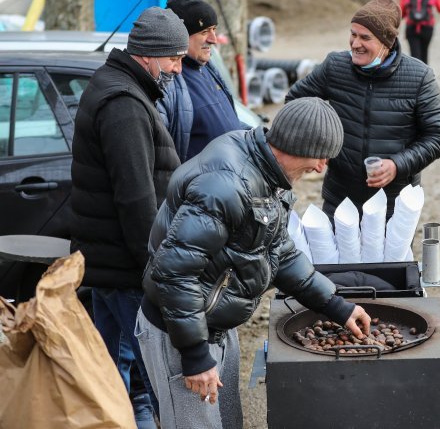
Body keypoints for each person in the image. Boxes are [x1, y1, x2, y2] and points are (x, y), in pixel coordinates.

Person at [137, 98, 373, 428]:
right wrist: (194, 354)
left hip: (215, 325)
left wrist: (337, 306)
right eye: (320, 156)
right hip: (178, 331)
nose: (321, 167)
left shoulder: (268, 175)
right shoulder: (227, 185)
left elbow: (280, 252)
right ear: (297, 144)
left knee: (228, 420)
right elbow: (175, 272)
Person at [70, 7, 188, 427]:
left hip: (111, 265)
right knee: (149, 372)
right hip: (126, 271)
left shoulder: (117, 86)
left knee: (114, 369)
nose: (178, 67)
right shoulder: (124, 104)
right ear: (150, 54)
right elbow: (136, 198)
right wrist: (155, 271)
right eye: (174, 57)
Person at [285, 0, 440, 219]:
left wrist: (397, 165)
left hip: (394, 202)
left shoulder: (419, 77)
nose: (355, 44)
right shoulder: (335, 66)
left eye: (365, 37)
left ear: (386, 43)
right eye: (353, 34)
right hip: (340, 197)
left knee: (389, 257)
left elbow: (437, 136)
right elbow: (295, 102)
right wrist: (318, 148)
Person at [158, 0, 250, 163]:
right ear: (181, 35)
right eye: (204, 31)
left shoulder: (207, 66)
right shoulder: (168, 79)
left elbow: (228, 121)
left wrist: (259, 137)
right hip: (197, 186)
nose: (214, 39)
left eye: (214, 30)